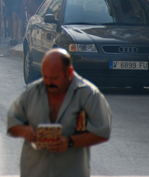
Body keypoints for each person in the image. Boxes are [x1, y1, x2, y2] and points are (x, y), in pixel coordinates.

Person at [7, 49, 111, 177]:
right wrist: (25, 131)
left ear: (69, 73)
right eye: (45, 77)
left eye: (54, 78)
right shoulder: (32, 92)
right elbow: (12, 122)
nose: (48, 82)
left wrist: (70, 142)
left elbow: (103, 131)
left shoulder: (88, 94)